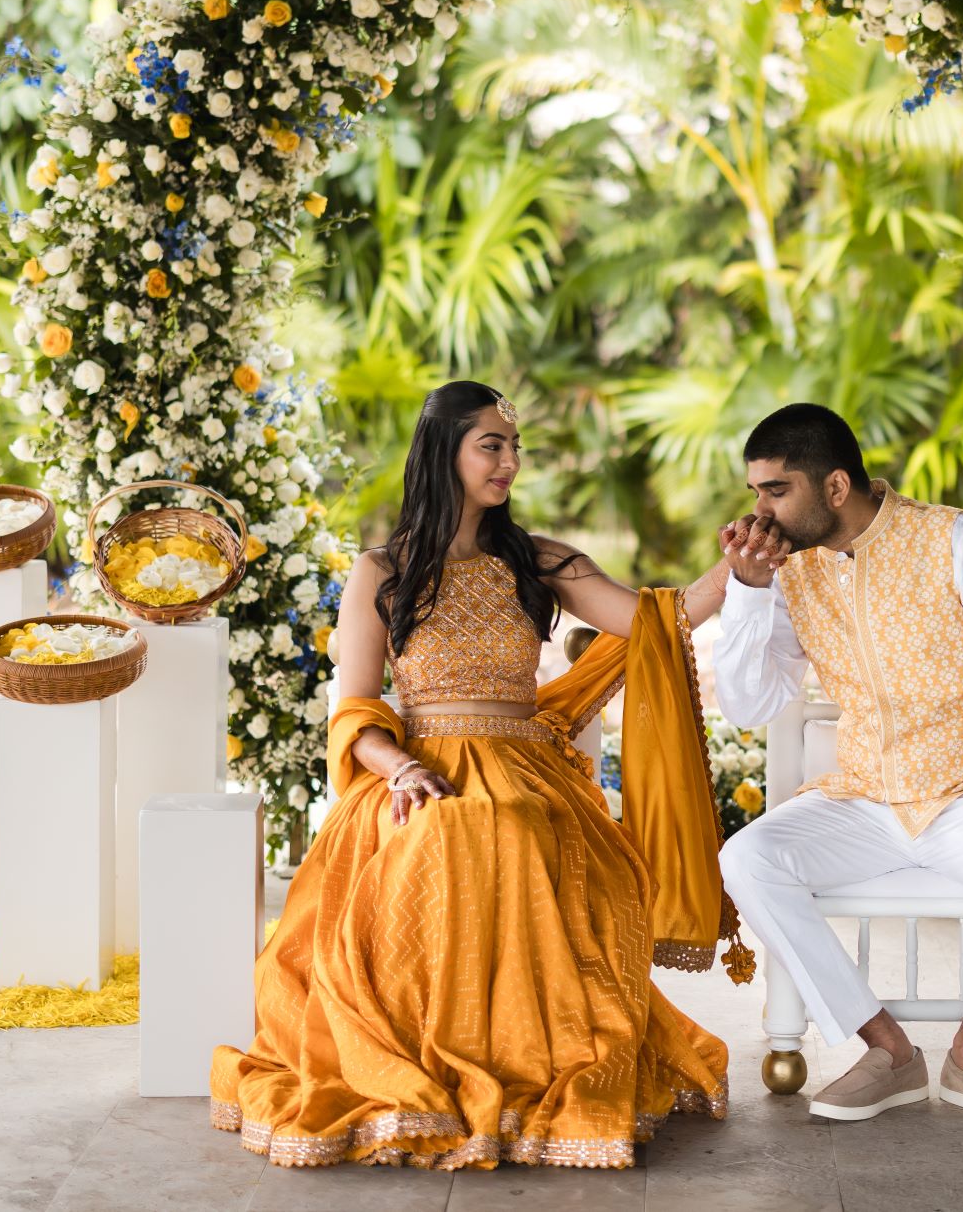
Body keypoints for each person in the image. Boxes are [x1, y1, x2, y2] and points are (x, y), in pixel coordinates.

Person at [211, 380, 773, 1170]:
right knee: (437, 833)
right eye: (492, 445)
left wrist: (737, 567)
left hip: (525, 765)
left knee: (513, 825)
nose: (510, 461)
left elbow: (659, 617)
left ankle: (529, 1066)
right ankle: (429, 1066)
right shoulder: (382, 569)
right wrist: (400, 765)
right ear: (445, 450)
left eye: (514, 447)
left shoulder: (538, 559)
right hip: (415, 766)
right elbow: (354, 708)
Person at [712, 403, 963, 1127]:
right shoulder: (789, 570)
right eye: (756, 492)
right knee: (748, 857)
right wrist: (748, 592)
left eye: (775, 490)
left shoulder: (956, 540)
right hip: (864, 800)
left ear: (835, 486)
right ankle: (886, 1049)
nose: (761, 511)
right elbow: (751, 704)